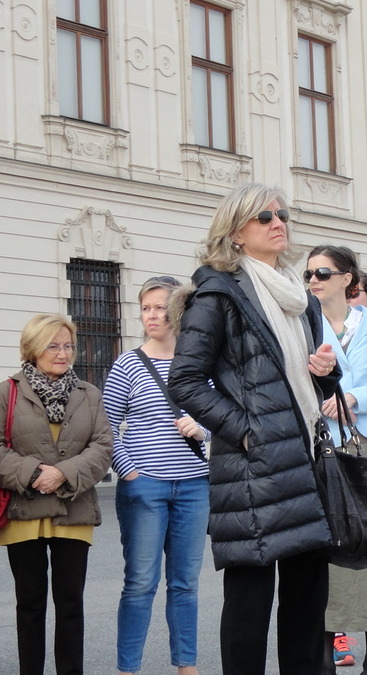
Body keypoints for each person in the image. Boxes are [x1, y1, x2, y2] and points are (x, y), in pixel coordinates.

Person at [168, 182, 341, 675]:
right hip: (252, 469)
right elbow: (183, 380)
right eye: (265, 217)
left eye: (282, 214)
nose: (278, 222)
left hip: (307, 460)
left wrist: (327, 372)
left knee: (307, 607)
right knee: (249, 607)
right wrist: (245, 431)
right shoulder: (219, 292)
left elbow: (306, 384)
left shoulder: (300, 299)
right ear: (237, 232)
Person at [0, 313, 113, 675]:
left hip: (74, 511)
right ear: (33, 348)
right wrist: (35, 474)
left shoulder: (89, 394)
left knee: (70, 604)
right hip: (24, 512)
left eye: (68, 346)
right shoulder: (7, 391)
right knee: (30, 604)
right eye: (53, 345)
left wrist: (62, 474)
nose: (63, 353)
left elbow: (102, 447)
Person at [102, 275, 210, 675]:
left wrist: (202, 430)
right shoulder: (127, 363)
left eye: (160, 307)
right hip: (144, 486)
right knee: (141, 583)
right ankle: (128, 669)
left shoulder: (198, 361)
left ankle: (187, 666)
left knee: (185, 584)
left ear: (179, 311)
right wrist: (128, 471)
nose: (152, 315)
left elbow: (217, 413)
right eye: (146, 307)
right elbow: (107, 426)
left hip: (194, 486)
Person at [306, 245, 367, 675]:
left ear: (348, 279)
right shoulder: (301, 327)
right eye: (309, 275)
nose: (314, 281)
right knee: (327, 552)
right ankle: (322, 660)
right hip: (320, 448)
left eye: (323, 272)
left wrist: (356, 397)